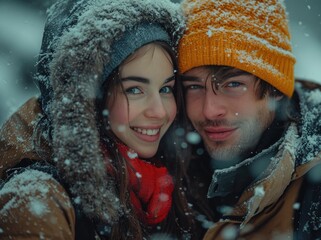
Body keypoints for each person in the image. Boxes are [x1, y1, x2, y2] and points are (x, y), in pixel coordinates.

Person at [0, 0, 196, 239]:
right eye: (134, 90)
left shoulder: (177, 184)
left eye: (166, 89)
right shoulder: (35, 199)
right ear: (87, 101)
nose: (160, 111)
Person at [177, 0, 321, 239]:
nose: (210, 110)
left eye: (233, 84)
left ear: (274, 89)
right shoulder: (165, 183)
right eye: (194, 86)